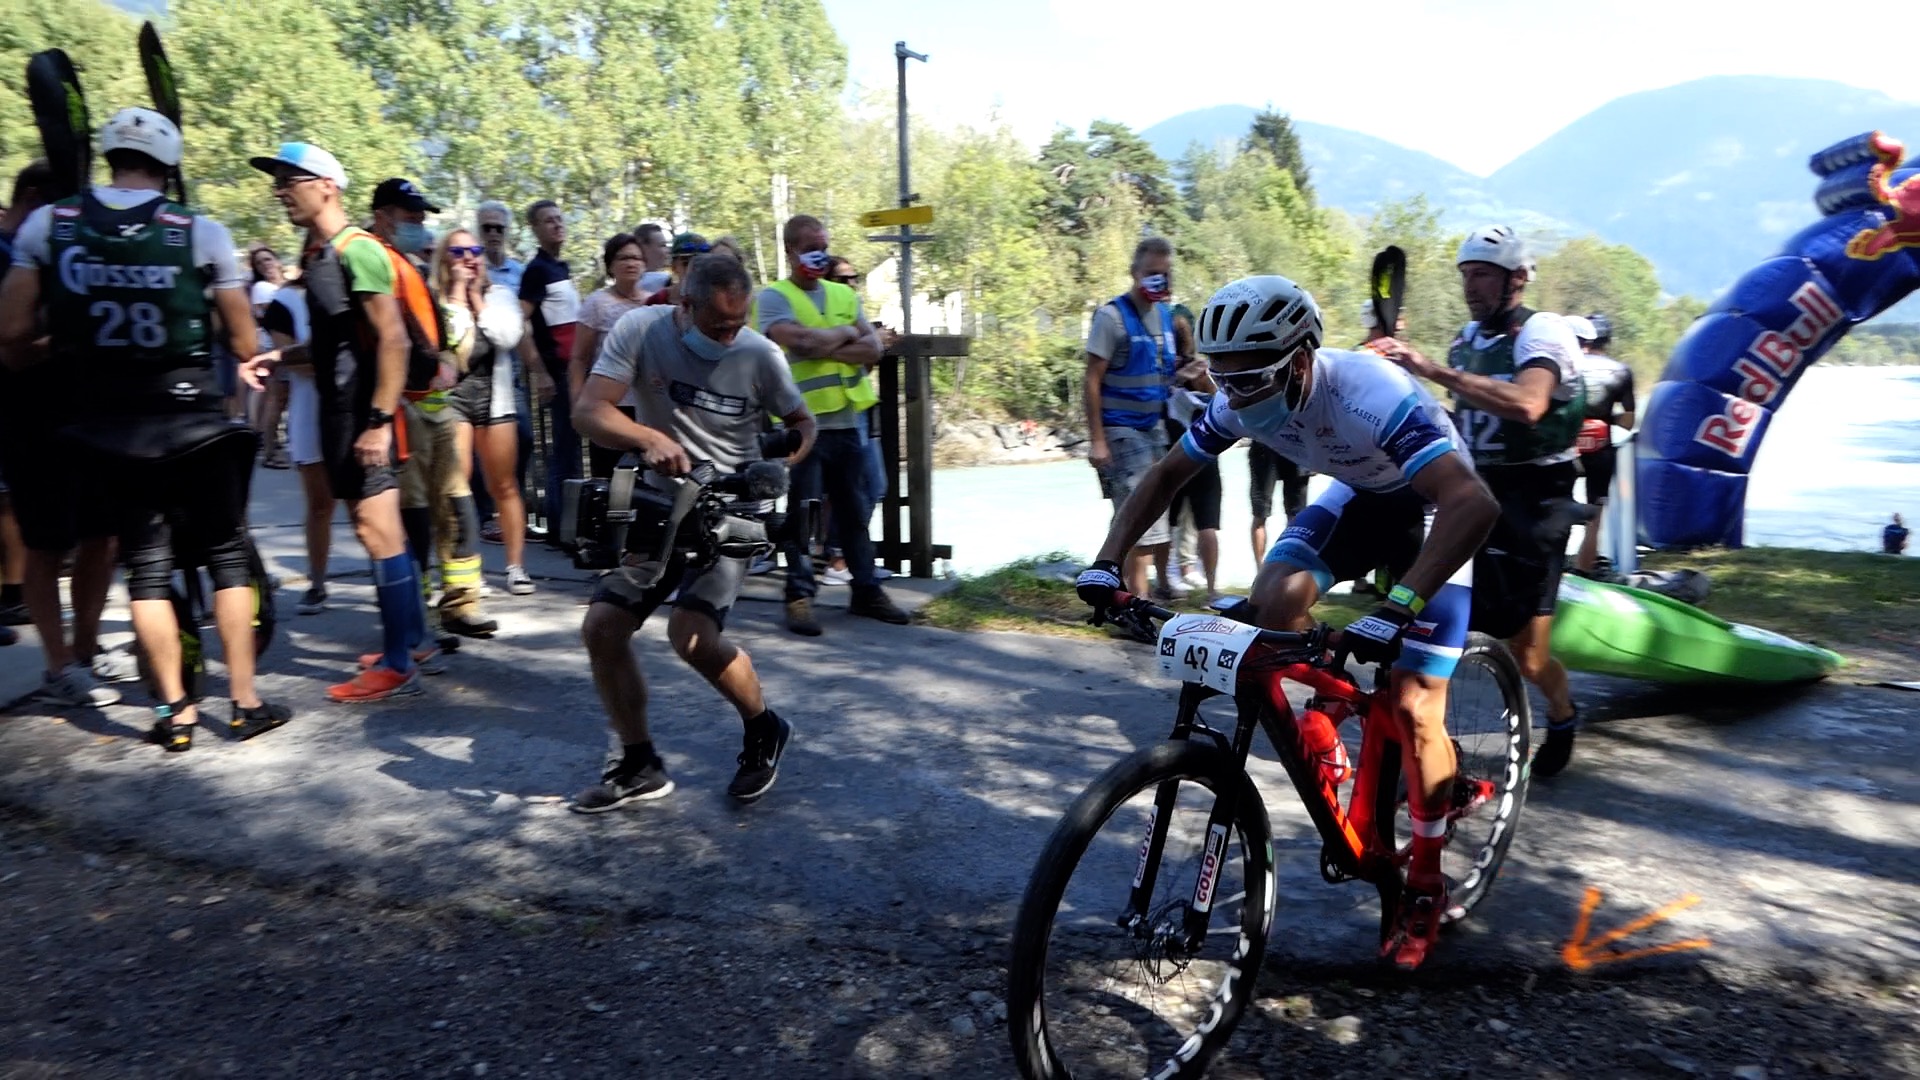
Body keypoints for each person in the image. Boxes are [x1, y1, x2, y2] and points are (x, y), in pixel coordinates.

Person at [1077, 275, 1498, 969]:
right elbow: (1162, 477)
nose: (1235, 396)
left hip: (1433, 507)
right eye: (1223, 379)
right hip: (1361, 496)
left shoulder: (1370, 393)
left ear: (1302, 360)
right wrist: (1107, 562)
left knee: (1416, 704)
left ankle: (1423, 879)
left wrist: (1401, 605)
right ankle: (1333, 710)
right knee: (1272, 602)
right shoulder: (1244, 397)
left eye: (1250, 380)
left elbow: (1474, 504)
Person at [1, 107, 295, 748]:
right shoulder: (202, 232)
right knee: (223, 558)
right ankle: (243, 703)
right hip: (190, 418)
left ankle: (175, 716)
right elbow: (245, 341)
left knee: (148, 571)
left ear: (111, 157)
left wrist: (72, 336)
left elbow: (14, 342)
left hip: (111, 427)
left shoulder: (51, 225)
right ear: (169, 166)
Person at [571, 254, 816, 809]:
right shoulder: (640, 330)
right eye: (717, 325)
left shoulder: (760, 355)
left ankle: (763, 727)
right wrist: (644, 438)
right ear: (684, 305)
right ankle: (639, 765)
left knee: (692, 637)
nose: (730, 336)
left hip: (730, 515)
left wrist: (779, 467)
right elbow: (589, 412)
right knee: (603, 627)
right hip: (660, 508)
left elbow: (803, 425)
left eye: (739, 323)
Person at [1373, 224, 1586, 779]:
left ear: (1517, 278)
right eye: (1466, 276)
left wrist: (1431, 369)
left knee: (1529, 654)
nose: (1472, 288)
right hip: (1476, 488)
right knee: (1436, 619)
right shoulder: (1466, 340)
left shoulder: (1544, 331)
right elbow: (1450, 409)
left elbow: (1529, 404)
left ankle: (1562, 714)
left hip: (1537, 500)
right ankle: (1432, 750)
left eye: (1483, 276)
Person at [246, 142, 431, 702]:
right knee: (380, 534)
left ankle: (398, 665)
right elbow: (337, 345)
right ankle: (410, 642)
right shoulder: (328, 256)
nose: (280, 190)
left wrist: (377, 422)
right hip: (342, 416)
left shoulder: (358, 251)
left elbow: (393, 339)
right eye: (277, 180)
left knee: (381, 536)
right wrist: (279, 357)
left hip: (363, 420)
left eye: (290, 179)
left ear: (327, 184)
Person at [0, 159, 123, 706]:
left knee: (104, 536)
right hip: (34, 421)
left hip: (95, 416)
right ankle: (58, 666)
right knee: (45, 544)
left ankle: (87, 647)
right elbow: (11, 350)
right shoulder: (8, 258)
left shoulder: (79, 248)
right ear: (32, 201)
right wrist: (68, 335)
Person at [759, 214, 910, 635]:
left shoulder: (840, 295)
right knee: (803, 511)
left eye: (823, 245)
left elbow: (873, 350)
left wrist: (832, 342)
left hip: (846, 420)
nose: (818, 254)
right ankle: (799, 595)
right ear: (790, 251)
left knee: (854, 510)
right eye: (809, 246)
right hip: (800, 422)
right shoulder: (774, 297)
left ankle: (865, 590)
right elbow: (801, 343)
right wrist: (847, 335)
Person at [366, 178, 494, 640]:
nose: (419, 226)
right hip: (402, 412)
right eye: (410, 217)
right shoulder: (371, 262)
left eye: (422, 219)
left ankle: (461, 603)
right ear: (383, 216)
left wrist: (440, 361)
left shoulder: (410, 268)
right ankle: (416, 614)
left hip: (439, 411)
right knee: (414, 513)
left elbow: (435, 338)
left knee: (458, 508)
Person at [436, 228, 534, 596]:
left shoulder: (501, 295)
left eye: (473, 250)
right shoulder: (436, 300)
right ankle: (461, 569)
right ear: (445, 258)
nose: (469, 257)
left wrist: (477, 298)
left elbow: (508, 337)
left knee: (504, 485)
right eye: (458, 251)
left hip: (495, 399)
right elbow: (443, 344)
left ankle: (516, 567)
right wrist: (458, 296)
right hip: (453, 400)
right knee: (456, 483)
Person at [1085, 237, 1181, 600]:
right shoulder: (1111, 317)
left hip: (1152, 427)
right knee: (1140, 515)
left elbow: (1163, 372)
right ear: (1135, 273)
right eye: (1152, 274)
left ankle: (1109, 587)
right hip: (1120, 430)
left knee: (1144, 512)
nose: (1159, 280)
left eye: (1165, 273)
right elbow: (1092, 378)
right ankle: (1135, 604)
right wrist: (1097, 440)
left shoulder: (1164, 317)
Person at [261, 276, 339, 615]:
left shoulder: (349, 288)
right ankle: (318, 583)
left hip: (351, 410)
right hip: (310, 414)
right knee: (320, 504)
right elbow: (291, 360)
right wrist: (340, 359)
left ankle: (391, 585)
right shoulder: (284, 302)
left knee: (364, 506)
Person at [472, 199, 534, 546]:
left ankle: (513, 512)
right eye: (487, 227)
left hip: (510, 371)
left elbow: (526, 322)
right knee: (482, 445)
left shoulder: (518, 273)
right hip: (477, 371)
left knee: (522, 439)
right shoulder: (471, 267)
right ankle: (485, 516)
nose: (494, 234)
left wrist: (536, 364)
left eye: (499, 228)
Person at [518, 200, 579, 533]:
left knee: (571, 448)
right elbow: (520, 321)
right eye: (548, 221)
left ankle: (570, 523)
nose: (556, 225)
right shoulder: (537, 271)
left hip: (573, 372)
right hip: (557, 374)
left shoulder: (561, 269)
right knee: (562, 451)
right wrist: (539, 371)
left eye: (559, 219)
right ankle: (560, 527)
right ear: (536, 230)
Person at [573, 233, 653, 480]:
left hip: (647, 407)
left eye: (637, 258)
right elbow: (579, 358)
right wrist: (577, 404)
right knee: (611, 481)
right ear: (610, 265)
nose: (631, 263)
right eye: (623, 258)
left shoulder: (652, 303)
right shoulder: (597, 303)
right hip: (608, 407)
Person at [1567, 313, 1635, 575]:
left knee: (1554, 505)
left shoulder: (1562, 365)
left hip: (1564, 445)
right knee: (1596, 511)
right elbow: (1628, 421)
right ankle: (1584, 568)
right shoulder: (1620, 371)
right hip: (1600, 446)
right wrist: (1608, 417)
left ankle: (1551, 564)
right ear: (1607, 340)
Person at [1164, 302, 1220, 600]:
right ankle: (1212, 589)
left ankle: (1166, 580)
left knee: (1167, 521)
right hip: (1205, 454)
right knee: (1208, 524)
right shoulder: (1204, 370)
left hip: (1173, 454)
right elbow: (1221, 404)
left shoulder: (1163, 373)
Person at [249, 245, 292, 469]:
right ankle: (269, 450)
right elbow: (273, 319)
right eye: (259, 263)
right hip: (275, 348)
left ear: (277, 260)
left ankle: (274, 444)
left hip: (290, 347)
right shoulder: (262, 288)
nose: (265, 264)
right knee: (276, 399)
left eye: (268, 259)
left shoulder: (285, 285)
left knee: (281, 399)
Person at [645, 232, 710, 305]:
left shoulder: (716, 301)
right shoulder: (657, 301)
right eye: (686, 263)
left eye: (702, 263)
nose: (694, 268)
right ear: (674, 266)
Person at [632, 222, 671, 294]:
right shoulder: (666, 280)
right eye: (662, 245)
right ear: (643, 247)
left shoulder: (626, 282)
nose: (667, 251)